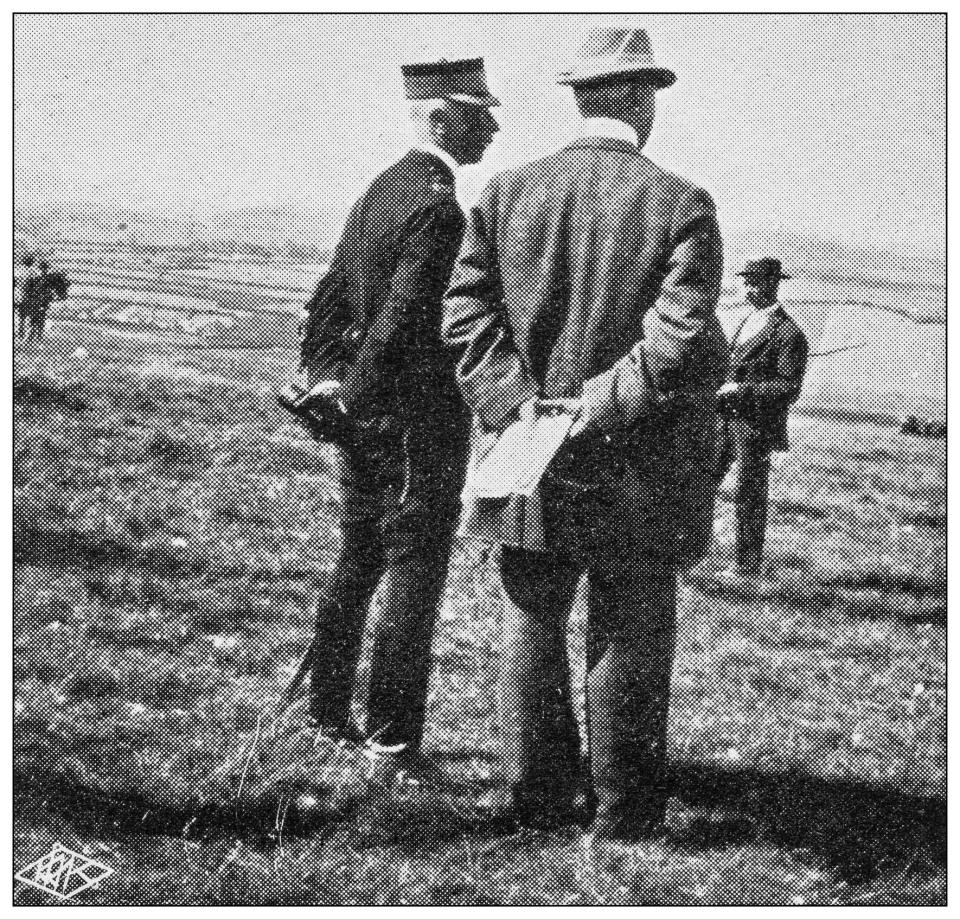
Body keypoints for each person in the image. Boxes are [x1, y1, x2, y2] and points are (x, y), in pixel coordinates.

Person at [443, 26, 728, 840]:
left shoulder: (506, 191)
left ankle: (536, 800)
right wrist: (591, 409)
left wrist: (518, 405)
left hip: (524, 450)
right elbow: (675, 339)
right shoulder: (681, 201)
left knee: (530, 616)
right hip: (634, 462)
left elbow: (463, 312)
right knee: (631, 627)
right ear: (641, 99)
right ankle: (624, 813)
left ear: (580, 97)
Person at [297, 57, 500, 772]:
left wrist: (329, 385)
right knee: (413, 574)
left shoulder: (378, 191)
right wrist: (352, 393)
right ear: (443, 118)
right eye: (482, 113)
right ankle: (390, 736)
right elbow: (404, 319)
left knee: (357, 558)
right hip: (417, 424)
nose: (495, 126)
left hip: (362, 417)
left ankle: (325, 712)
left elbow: (326, 301)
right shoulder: (439, 206)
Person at [715, 257, 809, 582]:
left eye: (758, 282)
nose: (751, 289)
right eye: (747, 282)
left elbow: (788, 388)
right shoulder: (745, 322)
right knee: (701, 480)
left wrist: (740, 389)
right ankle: (684, 554)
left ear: (774, 284)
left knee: (749, 492)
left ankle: (747, 567)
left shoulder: (789, 333)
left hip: (754, 427)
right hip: (723, 420)